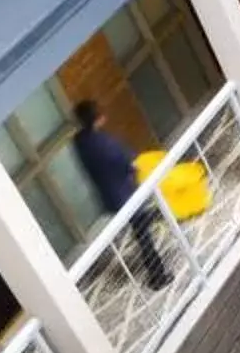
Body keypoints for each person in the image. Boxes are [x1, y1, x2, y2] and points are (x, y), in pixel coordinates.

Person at [71, 99, 169, 288]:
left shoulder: (80, 141)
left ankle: (153, 217)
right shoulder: (103, 143)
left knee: (141, 228)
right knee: (143, 235)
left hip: (110, 194)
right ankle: (157, 276)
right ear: (98, 118)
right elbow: (127, 162)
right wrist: (136, 166)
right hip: (124, 194)